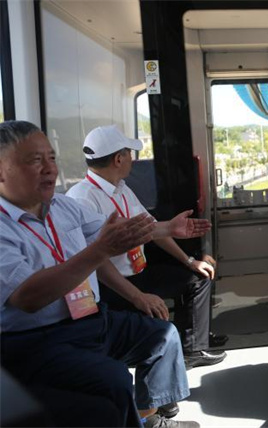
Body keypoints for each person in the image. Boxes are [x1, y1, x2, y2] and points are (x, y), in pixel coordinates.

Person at [0, 120, 200, 427]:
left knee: (163, 336)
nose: (50, 168)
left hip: (90, 318)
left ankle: (148, 419)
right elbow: (27, 297)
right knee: (114, 380)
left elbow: (122, 231)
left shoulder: (63, 207)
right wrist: (99, 251)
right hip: (36, 340)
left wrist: (168, 228)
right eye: (35, 160)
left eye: (51, 158)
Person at [66, 125, 228, 372]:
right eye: (129, 153)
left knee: (197, 278)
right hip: (113, 288)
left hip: (139, 273)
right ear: (118, 159)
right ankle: (158, 377)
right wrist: (138, 297)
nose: (133, 159)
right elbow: (97, 263)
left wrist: (189, 261)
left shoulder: (122, 189)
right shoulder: (82, 198)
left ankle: (193, 348)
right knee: (154, 336)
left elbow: (150, 229)